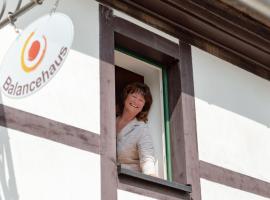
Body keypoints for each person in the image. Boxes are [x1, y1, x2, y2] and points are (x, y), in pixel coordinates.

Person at [116, 82, 156, 176]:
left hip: (128, 180)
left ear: (143, 106)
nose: (136, 102)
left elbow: (147, 158)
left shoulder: (141, 129)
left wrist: (151, 177)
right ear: (126, 96)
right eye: (134, 96)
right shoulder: (110, 119)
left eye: (141, 100)